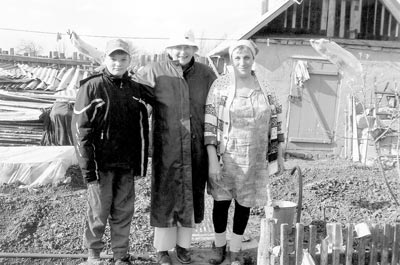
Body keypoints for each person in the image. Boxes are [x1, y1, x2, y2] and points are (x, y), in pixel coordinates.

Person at [133, 29, 217, 265]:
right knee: (165, 198)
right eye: (178, 47)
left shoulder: (206, 74)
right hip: (166, 146)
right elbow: (133, 98)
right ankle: (161, 250)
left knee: (191, 196)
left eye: (187, 47)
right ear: (169, 50)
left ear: (194, 50)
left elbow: (217, 107)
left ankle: (184, 247)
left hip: (196, 147)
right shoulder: (153, 71)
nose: (182, 52)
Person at [71, 39, 152, 265]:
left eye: (123, 59)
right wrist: (88, 167)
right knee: (98, 211)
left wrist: (139, 162)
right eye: (113, 58)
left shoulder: (134, 88)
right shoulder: (92, 86)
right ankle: (93, 255)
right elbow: (81, 129)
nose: (118, 63)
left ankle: (120, 255)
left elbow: (151, 107)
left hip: (125, 164)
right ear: (104, 60)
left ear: (129, 61)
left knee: (123, 212)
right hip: (101, 164)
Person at [204, 40, 285, 265]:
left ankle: (236, 250)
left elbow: (277, 119)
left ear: (253, 58)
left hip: (255, 158)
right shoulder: (220, 86)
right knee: (221, 203)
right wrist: (212, 159)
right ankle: (219, 246)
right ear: (231, 59)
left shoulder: (265, 86)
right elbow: (210, 124)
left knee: (244, 204)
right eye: (237, 58)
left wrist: (279, 154)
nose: (242, 62)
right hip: (226, 156)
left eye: (246, 57)